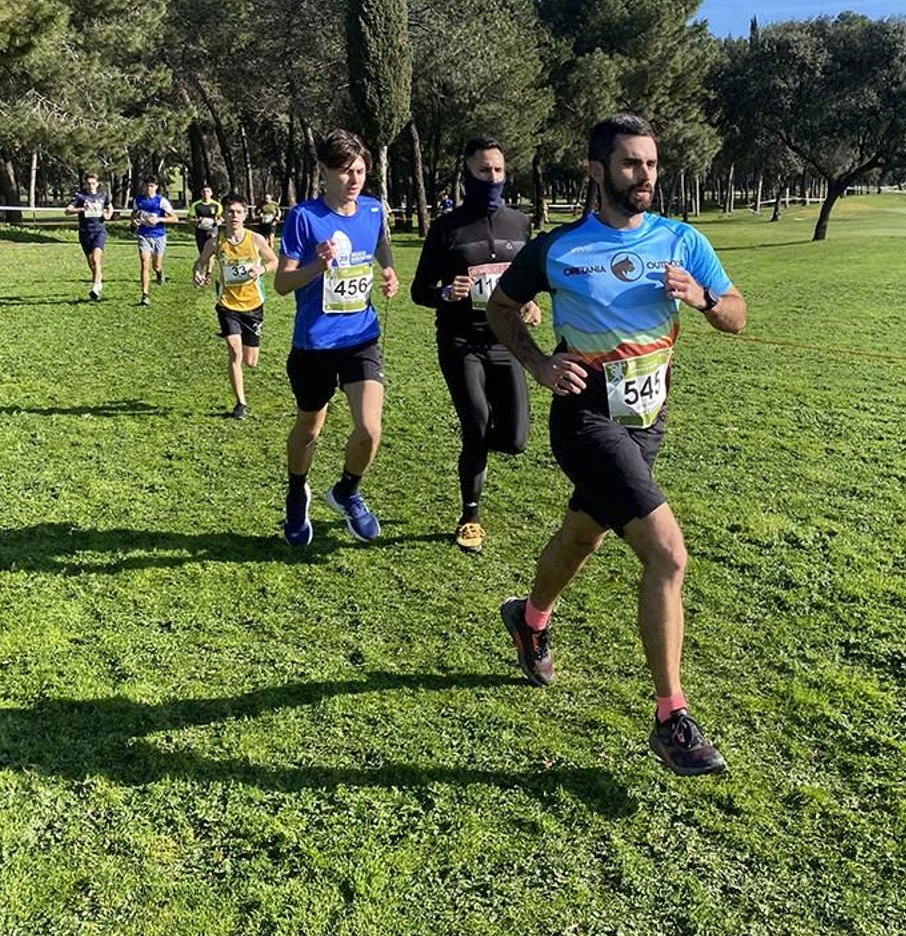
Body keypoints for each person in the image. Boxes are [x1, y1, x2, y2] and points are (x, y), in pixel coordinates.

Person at [486, 113, 747, 777]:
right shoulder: (558, 248)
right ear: (597, 171)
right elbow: (500, 309)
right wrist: (540, 364)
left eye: (653, 164)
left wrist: (705, 301)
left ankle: (530, 617)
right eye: (632, 164)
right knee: (667, 554)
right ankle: (671, 718)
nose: (646, 176)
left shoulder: (682, 240)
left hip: (648, 418)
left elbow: (738, 315)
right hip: (584, 416)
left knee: (584, 535)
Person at [411, 137, 539, 552]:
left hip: (506, 343)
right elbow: (420, 290)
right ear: (467, 173)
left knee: (516, 439)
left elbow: (525, 280)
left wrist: (531, 301)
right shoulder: (447, 228)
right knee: (476, 424)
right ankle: (470, 515)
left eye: (499, 170)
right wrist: (446, 292)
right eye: (485, 171)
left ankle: (476, 443)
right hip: (460, 341)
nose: (494, 178)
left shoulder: (519, 224)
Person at [275, 128, 400, 545]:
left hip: (362, 337)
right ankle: (297, 492)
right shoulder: (304, 218)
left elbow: (380, 245)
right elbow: (281, 283)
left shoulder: (373, 210)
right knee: (310, 429)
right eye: (345, 172)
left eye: (360, 171)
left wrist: (388, 270)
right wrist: (317, 267)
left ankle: (347, 491)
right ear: (323, 173)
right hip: (314, 345)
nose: (354, 179)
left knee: (370, 428)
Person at [194, 193, 279, 419]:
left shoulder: (255, 239)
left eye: (239, 212)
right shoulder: (216, 241)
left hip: (253, 304)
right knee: (234, 350)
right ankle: (240, 403)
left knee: (250, 361)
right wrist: (198, 273)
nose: (235, 216)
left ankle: (240, 376)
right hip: (227, 304)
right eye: (230, 212)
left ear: (245, 215)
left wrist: (261, 270)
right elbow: (201, 261)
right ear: (224, 214)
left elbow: (274, 261)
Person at [64, 172, 113, 300]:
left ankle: (95, 288)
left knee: (96, 259)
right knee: (91, 262)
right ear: (86, 184)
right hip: (85, 232)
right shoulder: (80, 196)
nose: (91, 186)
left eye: (93, 183)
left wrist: (108, 215)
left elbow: (110, 207)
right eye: (89, 183)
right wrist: (81, 209)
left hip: (99, 231)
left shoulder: (103, 195)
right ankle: (98, 279)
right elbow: (67, 211)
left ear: (98, 184)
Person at [132, 176, 178, 306]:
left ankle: (159, 272)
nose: (148, 188)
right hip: (143, 235)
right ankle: (145, 294)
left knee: (156, 265)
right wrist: (134, 221)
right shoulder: (138, 200)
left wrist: (159, 220)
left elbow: (175, 218)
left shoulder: (161, 201)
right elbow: (134, 214)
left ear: (156, 187)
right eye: (146, 186)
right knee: (144, 264)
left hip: (159, 236)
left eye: (151, 186)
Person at [191, 185, 222, 259]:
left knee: (211, 251)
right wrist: (197, 221)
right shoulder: (196, 205)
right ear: (201, 193)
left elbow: (222, 217)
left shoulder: (216, 205)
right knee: (202, 251)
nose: (206, 193)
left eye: (208, 191)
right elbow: (189, 219)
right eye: (204, 191)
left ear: (211, 193)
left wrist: (219, 221)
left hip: (212, 230)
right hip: (200, 230)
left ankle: (209, 270)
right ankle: (203, 268)